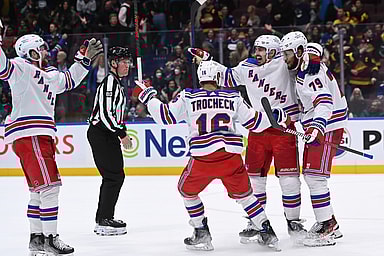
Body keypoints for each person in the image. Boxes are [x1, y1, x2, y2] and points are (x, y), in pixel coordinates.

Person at [133, 60, 290, 251]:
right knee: (246, 197)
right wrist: (275, 116)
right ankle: (267, 232)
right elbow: (255, 122)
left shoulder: (189, 96)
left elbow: (166, 116)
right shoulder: (233, 97)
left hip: (203, 158)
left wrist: (150, 98)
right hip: (231, 158)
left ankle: (201, 232)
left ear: (200, 77)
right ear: (217, 78)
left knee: (187, 192)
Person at [189, 34, 322, 243]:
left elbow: (304, 53)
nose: (256, 53)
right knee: (255, 181)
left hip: (283, 130)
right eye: (256, 49)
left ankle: (293, 222)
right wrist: (207, 60)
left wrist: (314, 56)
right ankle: (256, 222)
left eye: (261, 49)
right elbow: (224, 76)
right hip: (258, 130)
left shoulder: (285, 64)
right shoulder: (246, 67)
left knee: (289, 181)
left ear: (272, 52)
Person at [0, 32, 102, 255]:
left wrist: (84, 61)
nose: (47, 51)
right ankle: (50, 239)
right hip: (30, 134)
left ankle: (37, 239)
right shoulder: (20, 68)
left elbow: (69, 81)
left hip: (38, 134)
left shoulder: (49, 73)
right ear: (32, 52)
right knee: (50, 188)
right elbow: (2, 68)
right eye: (42, 48)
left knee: (38, 191)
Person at [280, 32, 347, 246]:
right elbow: (306, 103)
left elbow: (324, 101)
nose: (285, 58)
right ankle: (329, 222)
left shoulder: (311, 71)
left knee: (315, 177)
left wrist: (318, 127)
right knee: (312, 175)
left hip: (327, 125)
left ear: (299, 51)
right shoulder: (303, 67)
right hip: (319, 125)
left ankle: (327, 225)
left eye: (288, 53)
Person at [87, 46, 133, 236]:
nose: (127, 65)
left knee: (114, 176)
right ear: (113, 63)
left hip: (106, 134)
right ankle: (104, 220)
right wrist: (121, 133)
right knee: (113, 176)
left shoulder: (116, 83)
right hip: (101, 134)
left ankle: (104, 217)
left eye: (128, 61)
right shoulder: (109, 83)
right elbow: (106, 114)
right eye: (123, 61)